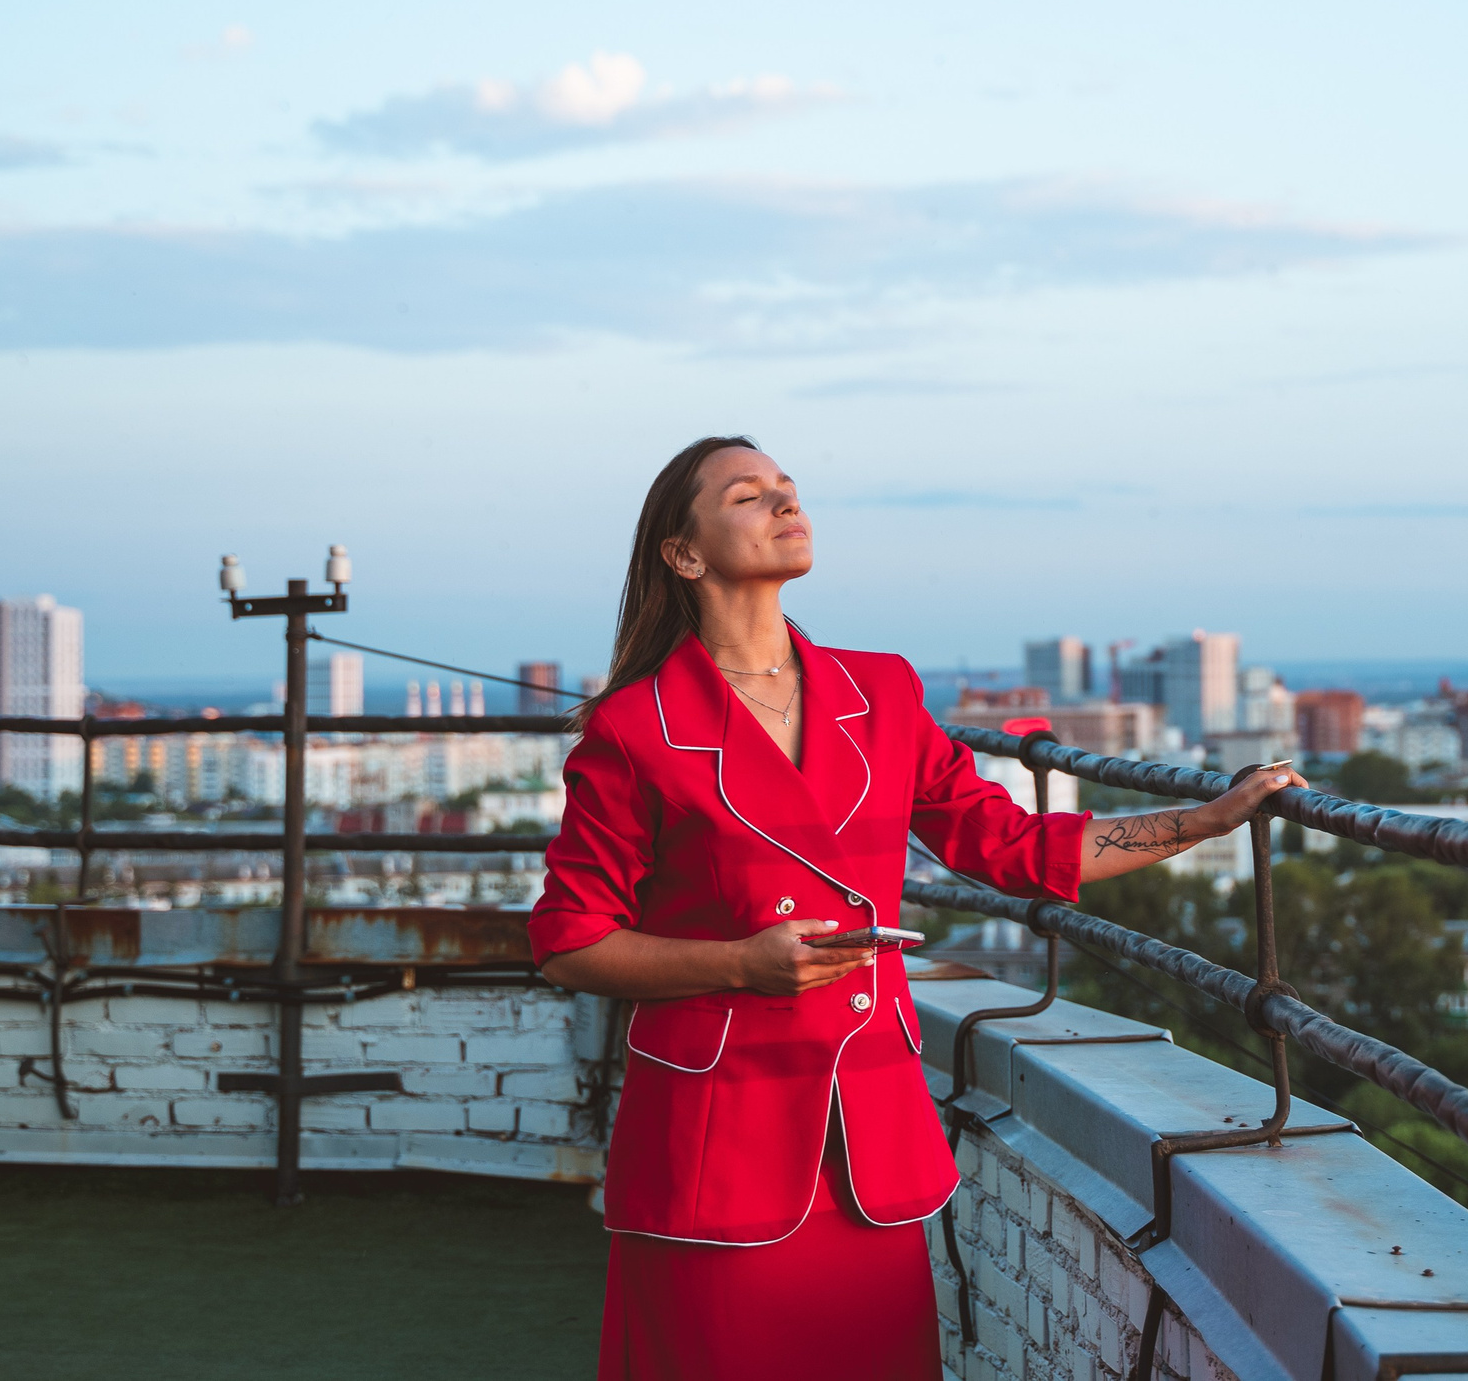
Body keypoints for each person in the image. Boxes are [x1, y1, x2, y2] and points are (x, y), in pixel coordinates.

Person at [529, 435, 1301, 1381]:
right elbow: (571, 942)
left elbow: (1011, 846)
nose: (784, 504)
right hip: (714, 1142)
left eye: (789, 488)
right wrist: (740, 962)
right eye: (748, 495)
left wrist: (1206, 819)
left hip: (868, 1139)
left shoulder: (880, 690)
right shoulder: (634, 725)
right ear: (683, 553)